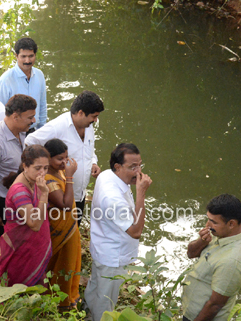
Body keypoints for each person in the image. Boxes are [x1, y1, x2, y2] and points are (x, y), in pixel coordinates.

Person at [84, 143, 152, 321]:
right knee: (106, 301)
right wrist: (141, 193)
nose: (138, 172)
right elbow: (136, 231)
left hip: (103, 246)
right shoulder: (112, 197)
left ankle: (86, 313)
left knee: (95, 286)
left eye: (140, 165)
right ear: (117, 167)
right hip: (113, 256)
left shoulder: (107, 175)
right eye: (132, 167)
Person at [0, 94, 37, 287]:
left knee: (13, 243)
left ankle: (10, 280)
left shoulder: (21, 132)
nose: (33, 121)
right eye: (30, 117)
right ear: (15, 116)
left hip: (16, 200)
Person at [25, 90, 105, 226]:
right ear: (80, 113)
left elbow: (89, 149)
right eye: (94, 116)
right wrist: (44, 169)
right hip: (59, 195)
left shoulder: (88, 126)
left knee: (74, 230)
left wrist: (93, 162)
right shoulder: (58, 126)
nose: (95, 120)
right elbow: (30, 141)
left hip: (79, 194)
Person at [181, 194, 241, 321]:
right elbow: (191, 254)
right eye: (208, 219)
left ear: (231, 224)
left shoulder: (232, 260)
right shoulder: (221, 233)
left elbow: (215, 305)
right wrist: (201, 242)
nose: (208, 225)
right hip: (190, 310)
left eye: (213, 222)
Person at [0, 145, 52, 286]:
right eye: (38, 168)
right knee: (20, 290)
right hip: (22, 250)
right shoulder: (20, 191)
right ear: (25, 166)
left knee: (38, 287)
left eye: (46, 168)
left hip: (31, 248)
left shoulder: (32, 181)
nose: (42, 173)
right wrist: (45, 194)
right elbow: (34, 224)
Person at [43, 139, 81, 308]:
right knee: (61, 265)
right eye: (59, 159)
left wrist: (67, 174)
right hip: (59, 230)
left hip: (70, 227)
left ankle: (71, 295)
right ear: (48, 159)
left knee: (72, 262)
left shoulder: (60, 172)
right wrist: (71, 176)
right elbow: (65, 205)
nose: (64, 162)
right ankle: (59, 301)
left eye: (66, 158)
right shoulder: (48, 180)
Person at [0, 37, 46, 132]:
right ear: (16, 56)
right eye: (23, 56)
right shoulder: (5, 80)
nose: (27, 61)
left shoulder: (39, 75)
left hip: (33, 130)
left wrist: (42, 130)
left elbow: (42, 106)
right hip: (13, 132)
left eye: (31, 56)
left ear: (35, 55)